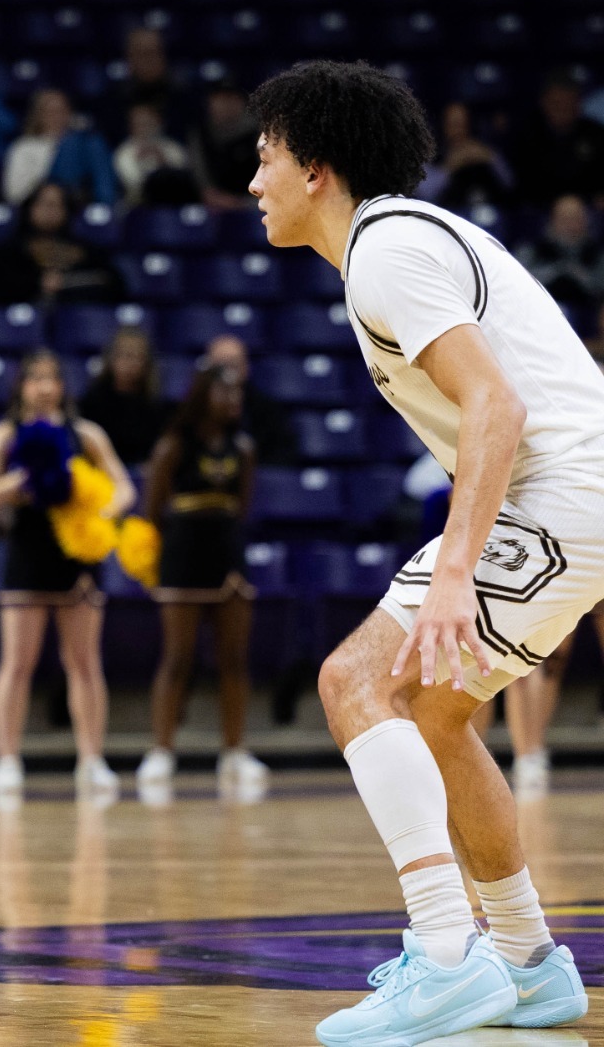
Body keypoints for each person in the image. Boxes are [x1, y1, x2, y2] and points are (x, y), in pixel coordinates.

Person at [250, 59, 595, 1042]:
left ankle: (444, 957)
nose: (254, 181)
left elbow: (496, 405)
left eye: (265, 156)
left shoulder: (386, 249)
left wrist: (451, 574)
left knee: (355, 680)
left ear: (315, 168)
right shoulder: (398, 240)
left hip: (564, 490)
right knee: (435, 715)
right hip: (577, 498)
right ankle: (526, 962)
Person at [0, 349, 134, 800]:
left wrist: (93, 505)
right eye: (34, 378)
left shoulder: (86, 435)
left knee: (84, 663)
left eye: (52, 378)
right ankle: (7, 760)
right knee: (17, 663)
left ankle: (92, 761)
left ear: (62, 386)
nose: (44, 387)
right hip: (27, 553)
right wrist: (23, 482)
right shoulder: (4, 435)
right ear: (21, 387)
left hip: (77, 556)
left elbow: (123, 489)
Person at [136, 365, 267, 795]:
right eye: (224, 392)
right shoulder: (174, 445)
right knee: (177, 658)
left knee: (234, 659)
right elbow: (152, 508)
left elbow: (242, 507)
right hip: (183, 555)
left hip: (228, 554)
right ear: (202, 395)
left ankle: (234, 751)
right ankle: (161, 751)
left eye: (237, 393)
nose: (233, 400)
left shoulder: (243, 448)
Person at [0, 182, 123, 307]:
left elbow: (112, 282)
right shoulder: (10, 250)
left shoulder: (84, 249)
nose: (50, 210)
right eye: (44, 203)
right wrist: (38, 283)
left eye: (57, 204)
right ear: (30, 207)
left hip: (77, 314)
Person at [1, 88, 117, 208]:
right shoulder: (25, 146)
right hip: (41, 197)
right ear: (38, 116)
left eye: (63, 111)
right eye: (51, 112)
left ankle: (105, 208)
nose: (57, 117)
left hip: (78, 193)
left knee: (94, 141)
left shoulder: (84, 142)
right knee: (74, 142)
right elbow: (13, 193)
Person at [78, 326, 171, 468]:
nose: (131, 364)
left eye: (138, 357)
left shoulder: (155, 405)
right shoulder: (92, 401)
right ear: (111, 358)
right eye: (125, 356)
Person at [510, 70, 604, 208]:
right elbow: (515, 183)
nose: (563, 109)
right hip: (536, 210)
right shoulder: (524, 134)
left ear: (579, 103)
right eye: (557, 103)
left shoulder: (595, 134)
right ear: (543, 102)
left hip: (587, 210)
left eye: (569, 103)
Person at [203, 333, 295, 465]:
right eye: (220, 367)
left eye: (233, 365)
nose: (227, 374)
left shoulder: (267, 410)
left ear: (246, 368)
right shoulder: (192, 411)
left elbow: (282, 454)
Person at [515, 194, 604, 326]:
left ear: (586, 221)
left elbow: (599, 287)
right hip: (539, 320)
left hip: (590, 324)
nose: (571, 226)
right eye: (565, 219)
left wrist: (577, 274)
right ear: (551, 221)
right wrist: (556, 271)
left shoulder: (598, 254)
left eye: (576, 219)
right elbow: (520, 285)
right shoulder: (532, 252)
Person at [418, 103, 511, 212]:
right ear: (443, 126)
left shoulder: (485, 150)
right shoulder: (432, 156)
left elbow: (510, 184)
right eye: (454, 124)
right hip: (450, 215)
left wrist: (491, 158)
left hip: (489, 212)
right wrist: (449, 168)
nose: (459, 130)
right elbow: (425, 194)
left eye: (463, 123)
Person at [190, 80, 261, 210]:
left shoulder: (259, 132)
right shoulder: (201, 133)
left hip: (255, 205)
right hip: (214, 206)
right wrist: (213, 196)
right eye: (220, 99)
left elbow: (271, 180)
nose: (226, 104)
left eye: (232, 98)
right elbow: (201, 179)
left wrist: (242, 203)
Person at [112, 102, 197, 208]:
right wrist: (139, 162)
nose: (144, 128)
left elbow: (182, 180)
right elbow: (134, 185)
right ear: (131, 126)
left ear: (159, 123)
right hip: (139, 206)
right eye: (139, 124)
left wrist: (163, 161)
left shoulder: (173, 148)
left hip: (175, 204)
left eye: (148, 123)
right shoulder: (124, 152)